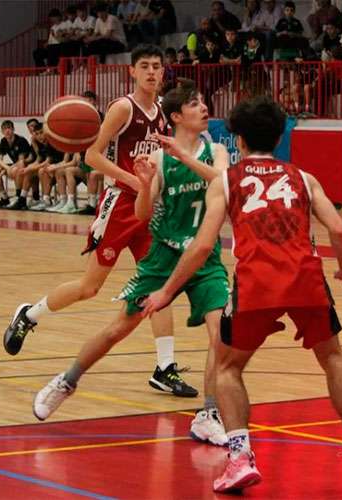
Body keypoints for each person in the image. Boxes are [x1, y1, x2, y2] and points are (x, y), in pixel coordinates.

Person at [141, 96, 342, 492]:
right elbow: (339, 230)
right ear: (279, 136)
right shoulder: (303, 177)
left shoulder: (226, 180)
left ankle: (239, 457)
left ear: (237, 139)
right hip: (306, 278)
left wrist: (168, 291)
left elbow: (203, 246)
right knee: (334, 357)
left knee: (227, 367)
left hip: (257, 281)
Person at [31, 84, 231, 445]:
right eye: (194, 103)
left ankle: (209, 412)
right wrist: (144, 183)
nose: (204, 107)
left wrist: (183, 158)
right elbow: (143, 213)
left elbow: (221, 181)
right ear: (175, 117)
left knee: (222, 336)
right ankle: (67, 380)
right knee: (116, 331)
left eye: (203, 101)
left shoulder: (214, 150)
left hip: (205, 258)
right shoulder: (157, 161)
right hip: (165, 257)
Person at [3, 45, 198, 398]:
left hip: (147, 207)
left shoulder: (163, 113)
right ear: (133, 72)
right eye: (145, 67)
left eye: (157, 66)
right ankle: (29, 315)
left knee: (161, 287)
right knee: (89, 287)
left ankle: (164, 368)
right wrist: (133, 180)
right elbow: (92, 156)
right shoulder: (123, 108)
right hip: (119, 205)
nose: (152, 72)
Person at [0, 120, 31, 207]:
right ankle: (4, 198)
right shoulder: (3, 141)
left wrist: (9, 168)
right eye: (4, 129)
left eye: (9, 128)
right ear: (2, 131)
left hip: (26, 164)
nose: (7, 131)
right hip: (14, 164)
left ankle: (18, 197)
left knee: (16, 169)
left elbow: (21, 161)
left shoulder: (21, 140)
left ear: (13, 129)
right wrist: (7, 168)